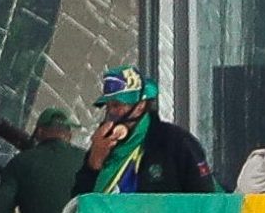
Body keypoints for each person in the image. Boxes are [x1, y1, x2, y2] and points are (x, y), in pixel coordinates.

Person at [71, 65, 214, 198]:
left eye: (117, 105)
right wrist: (92, 165)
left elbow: (204, 197)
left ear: (140, 105)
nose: (111, 113)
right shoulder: (102, 143)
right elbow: (78, 205)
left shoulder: (175, 143)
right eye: (108, 106)